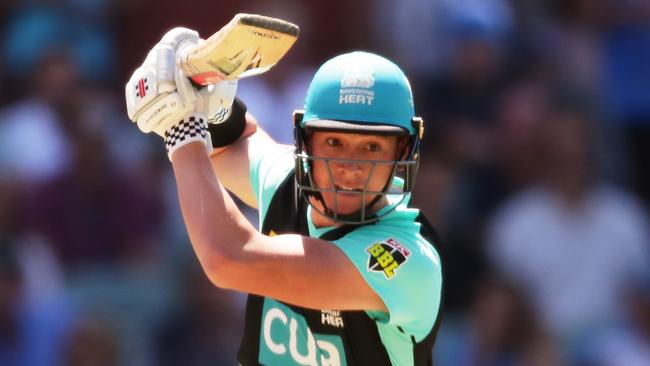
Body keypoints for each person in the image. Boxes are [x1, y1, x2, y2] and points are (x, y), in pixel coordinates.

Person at [125, 27, 443, 365]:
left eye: (372, 147)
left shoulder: (409, 259)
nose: (351, 167)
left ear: (403, 152)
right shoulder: (287, 185)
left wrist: (181, 129)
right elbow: (237, 141)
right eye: (334, 143)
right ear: (306, 143)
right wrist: (209, 99)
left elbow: (229, 259)